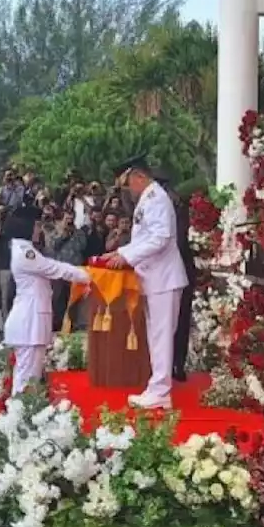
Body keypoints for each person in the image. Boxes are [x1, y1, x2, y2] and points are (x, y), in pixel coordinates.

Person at [98, 156, 188, 410]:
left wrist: (126, 256)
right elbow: (143, 239)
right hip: (155, 278)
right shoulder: (147, 200)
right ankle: (158, 387)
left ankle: (160, 390)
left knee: (161, 335)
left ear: (138, 176)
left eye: (128, 184)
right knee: (156, 334)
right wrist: (120, 253)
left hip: (164, 278)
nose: (128, 190)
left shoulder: (155, 199)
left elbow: (160, 238)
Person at [3, 206, 90, 394]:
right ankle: (20, 415)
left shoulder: (23, 249)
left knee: (29, 376)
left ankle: (21, 413)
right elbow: (54, 268)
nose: (39, 230)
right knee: (27, 379)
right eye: (36, 225)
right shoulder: (26, 253)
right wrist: (89, 275)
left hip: (31, 319)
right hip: (29, 321)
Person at [155, 174, 198, 383]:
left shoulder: (178, 211)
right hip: (169, 273)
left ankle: (175, 364)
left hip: (178, 272)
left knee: (177, 320)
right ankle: (170, 365)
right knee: (169, 322)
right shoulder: (163, 211)